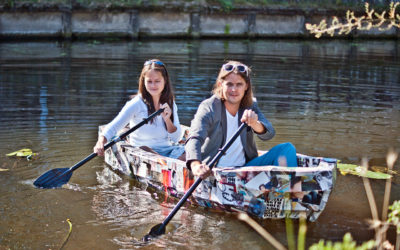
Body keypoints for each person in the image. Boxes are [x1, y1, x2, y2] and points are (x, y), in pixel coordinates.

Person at [185, 60, 298, 179]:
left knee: (287, 148)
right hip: (216, 171)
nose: (234, 90)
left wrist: (255, 124)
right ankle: (289, 193)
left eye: (239, 84)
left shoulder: (250, 105)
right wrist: (196, 165)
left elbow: (269, 134)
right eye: (229, 84)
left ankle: (290, 192)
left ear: (246, 86)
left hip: (245, 169)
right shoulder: (209, 107)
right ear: (220, 84)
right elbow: (194, 137)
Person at [94, 59, 184, 159]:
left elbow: (176, 139)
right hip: (145, 152)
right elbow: (114, 126)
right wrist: (100, 141)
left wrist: (167, 120)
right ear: (143, 82)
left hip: (168, 150)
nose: (153, 85)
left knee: (193, 156)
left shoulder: (170, 103)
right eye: (149, 81)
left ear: (165, 81)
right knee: (147, 150)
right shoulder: (136, 103)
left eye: (157, 81)